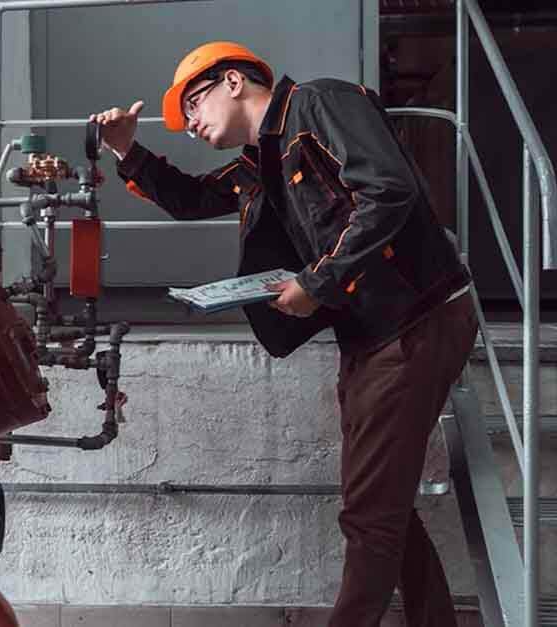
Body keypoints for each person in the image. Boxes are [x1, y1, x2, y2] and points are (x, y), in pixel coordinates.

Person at [90, 41, 478, 627]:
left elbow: (388, 191)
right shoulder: (259, 160)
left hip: (415, 320)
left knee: (370, 514)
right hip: (372, 333)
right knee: (380, 505)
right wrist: (126, 149)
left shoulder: (320, 104)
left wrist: (318, 283)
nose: (190, 125)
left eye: (193, 105)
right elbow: (195, 198)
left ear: (234, 82)